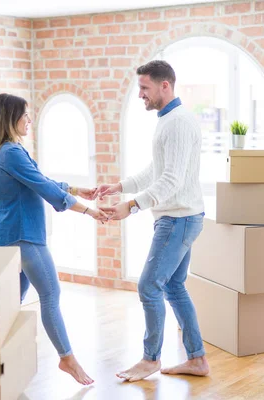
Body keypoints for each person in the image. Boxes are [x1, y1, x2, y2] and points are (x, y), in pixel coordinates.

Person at [0, 93, 108, 385]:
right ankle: (67, 358)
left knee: (12, 303)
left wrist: (77, 188)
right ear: (11, 118)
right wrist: (90, 211)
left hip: (6, 236)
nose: (29, 120)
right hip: (25, 237)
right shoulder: (11, 152)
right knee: (51, 296)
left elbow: (39, 179)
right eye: (25, 115)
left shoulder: (0, 151)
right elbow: (47, 190)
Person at [94, 60, 210, 382]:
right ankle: (197, 359)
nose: (140, 95)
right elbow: (156, 171)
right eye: (139, 88)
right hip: (181, 217)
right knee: (173, 286)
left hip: (177, 219)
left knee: (149, 285)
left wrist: (129, 207)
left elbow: (170, 180)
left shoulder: (177, 123)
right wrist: (120, 187)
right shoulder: (169, 120)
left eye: (144, 88)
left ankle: (150, 359)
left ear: (165, 86)